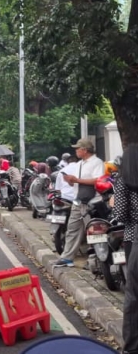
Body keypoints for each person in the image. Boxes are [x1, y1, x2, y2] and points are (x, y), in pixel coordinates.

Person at [55, 138, 105, 268]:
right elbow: (76, 181)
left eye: (78, 148)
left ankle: (95, 261)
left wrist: (77, 180)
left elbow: (98, 180)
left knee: (93, 232)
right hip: (78, 200)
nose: (76, 151)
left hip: (92, 201)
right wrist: (70, 181)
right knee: (72, 229)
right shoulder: (79, 164)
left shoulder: (97, 162)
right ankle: (67, 257)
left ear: (85, 150)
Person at [113, 144, 138, 354]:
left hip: (134, 237)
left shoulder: (124, 181)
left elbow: (121, 215)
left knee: (133, 295)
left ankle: (131, 348)